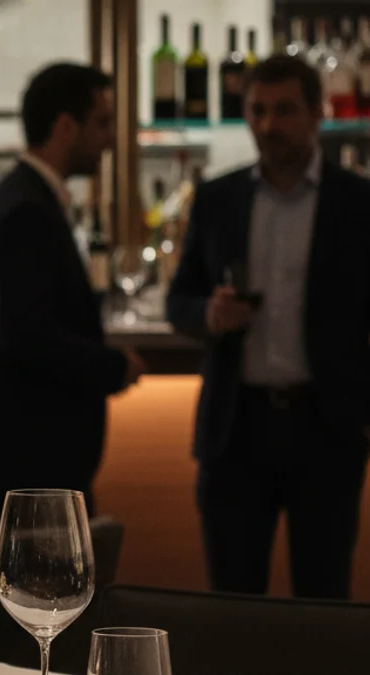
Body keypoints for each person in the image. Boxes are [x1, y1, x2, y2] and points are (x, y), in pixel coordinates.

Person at [167, 56, 370, 600]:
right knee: (233, 603)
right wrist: (207, 315)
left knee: (323, 602)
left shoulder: (357, 204)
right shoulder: (217, 199)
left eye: (284, 110)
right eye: (257, 110)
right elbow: (178, 299)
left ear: (316, 115)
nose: (268, 125)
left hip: (325, 428)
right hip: (236, 429)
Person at [0, 63, 145, 529]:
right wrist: (112, 367)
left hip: (23, 452)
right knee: (44, 598)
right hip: (30, 454)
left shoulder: (22, 197)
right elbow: (26, 335)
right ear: (64, 127)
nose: (108, 138)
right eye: (101, 122)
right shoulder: (26, 210)